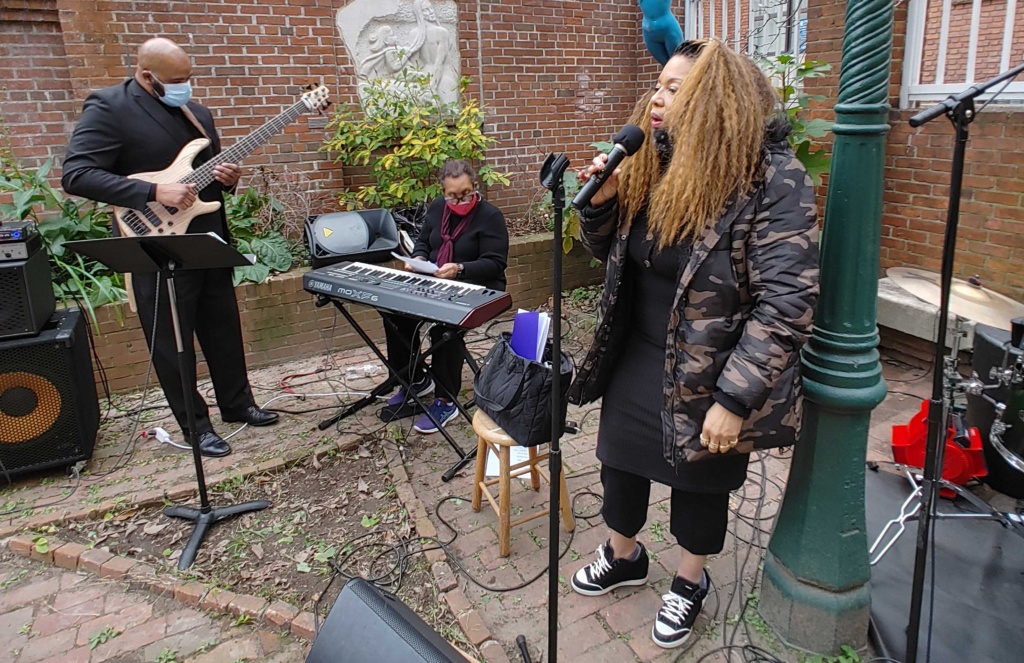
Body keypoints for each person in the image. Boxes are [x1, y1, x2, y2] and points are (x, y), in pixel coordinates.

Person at [567, 40, 819, 650]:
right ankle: (623, 555)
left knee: (701, 484)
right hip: (639, 350)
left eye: (676, 89)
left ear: (717, 100)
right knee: (619, 462)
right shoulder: (653, 159)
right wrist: (599, 211)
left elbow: (787, 303)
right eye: (659, 84)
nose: (657, 97)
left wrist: (735, 400)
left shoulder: (773, 179)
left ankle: (689, 580)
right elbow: (615, 258)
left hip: (714, 369)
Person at [61, 37, 279, 458]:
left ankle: (238, 405)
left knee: (223, 327)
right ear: (146, 76)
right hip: (155, 242)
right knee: (172, 340)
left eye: (189, 78)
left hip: (206, 238)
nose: (186, 87)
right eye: (176, 80)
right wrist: (152, 190)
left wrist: (227, 180)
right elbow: (77, 175)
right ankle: (195, 426)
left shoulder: (197, 114)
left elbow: (204, 181)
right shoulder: (109, 107)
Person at [381, 159, 509, 434]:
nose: (459, 201)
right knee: (395, 314)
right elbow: (425, 242)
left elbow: (495, 263)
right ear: (443, 192)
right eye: (452, 195)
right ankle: (414, 381)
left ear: (475, 186)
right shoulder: (438, 208)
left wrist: (460, 268)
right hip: (439, 280)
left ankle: (445, 399)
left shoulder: (490, 216)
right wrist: (417, 258)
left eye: (466, 193)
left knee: (445, 328)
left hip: (479, 286)